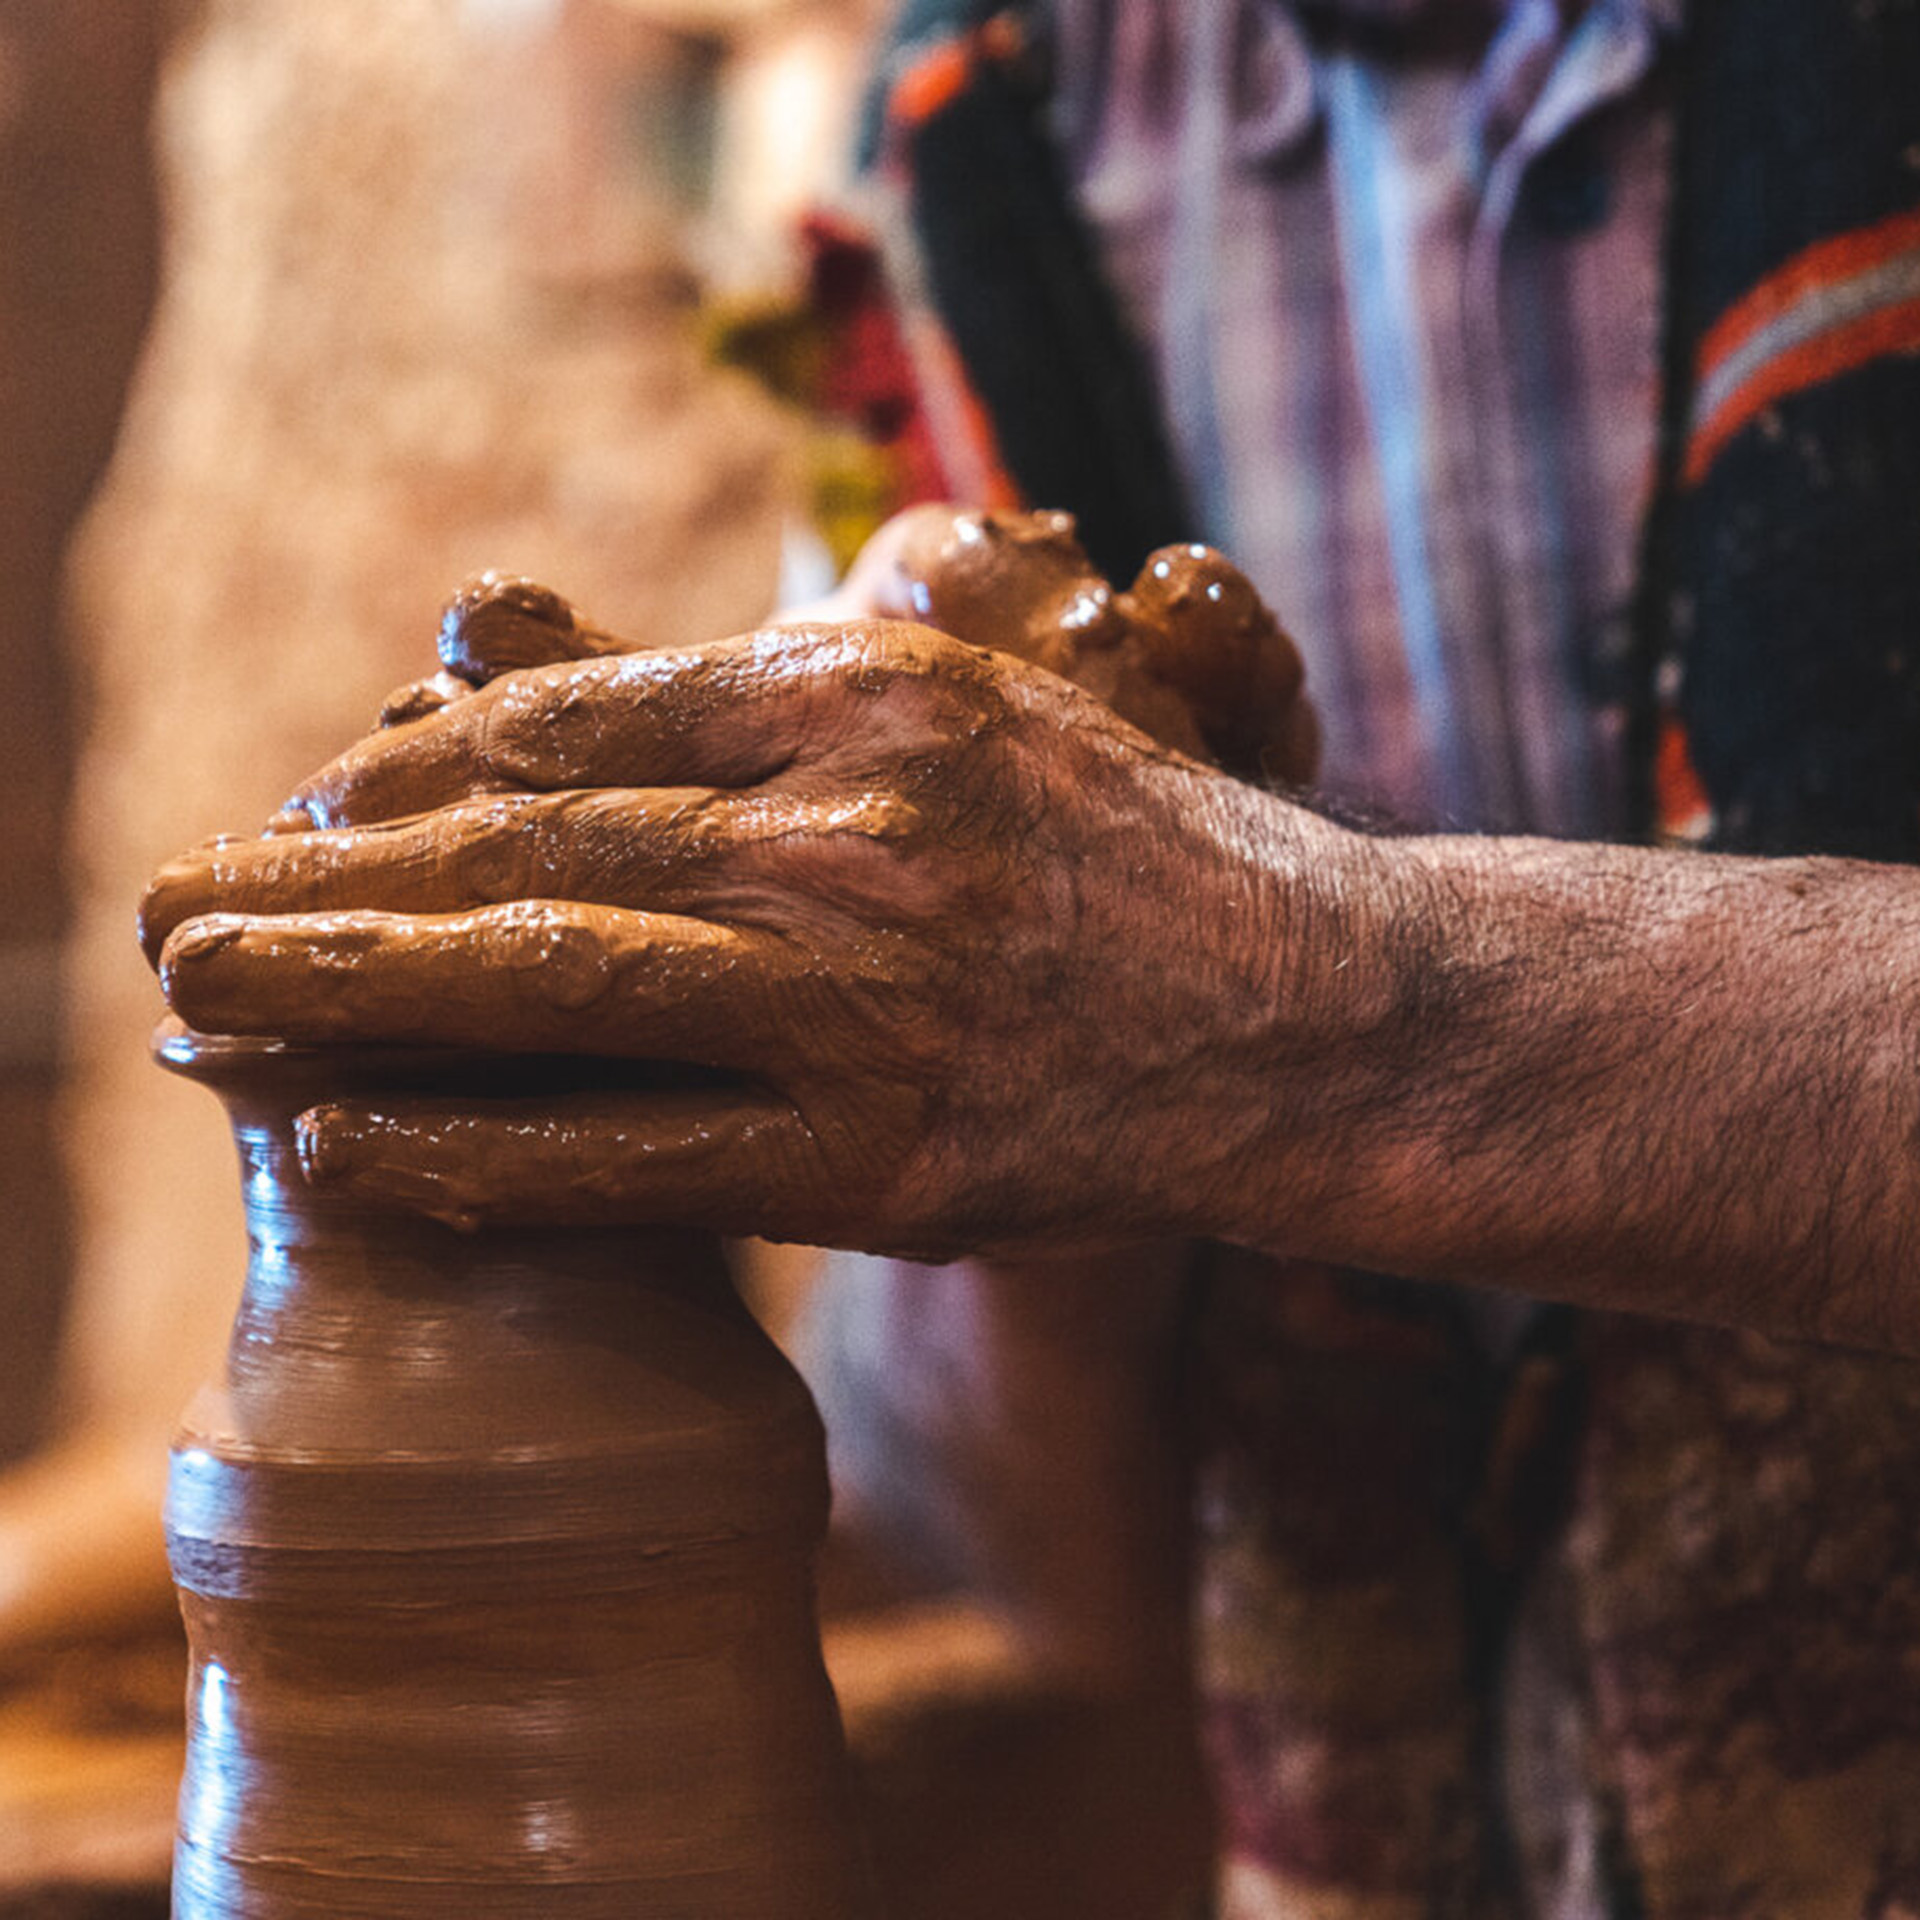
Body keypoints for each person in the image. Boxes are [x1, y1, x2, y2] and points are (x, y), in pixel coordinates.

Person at [139, 0, 1920, 1913]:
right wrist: (987, 1079)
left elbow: (1245, 1017)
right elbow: (1053, 1582)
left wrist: (1270, 998)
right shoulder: (998, 123)